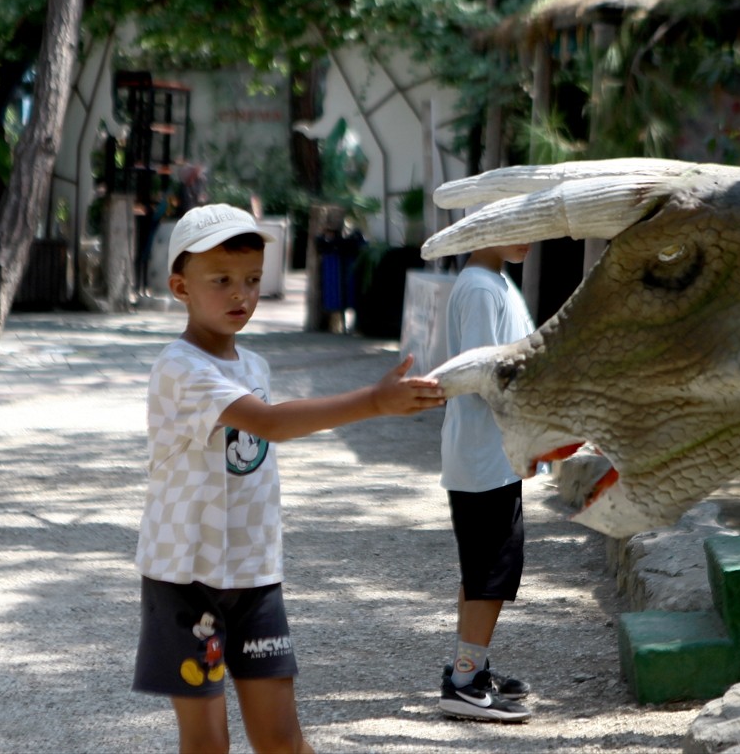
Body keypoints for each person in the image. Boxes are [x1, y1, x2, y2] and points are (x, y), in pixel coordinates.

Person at [132, 203, 444, 753]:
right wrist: (374, 400)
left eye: (252, 280)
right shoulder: (180, 368)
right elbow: (269, 424)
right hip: (185, 578)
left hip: (254, 576)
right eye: (221, 280)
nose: (241, 295)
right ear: (180, 286)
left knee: (282, 738)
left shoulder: (253, 366)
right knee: (207, 743)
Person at [437, 242, 536, 723]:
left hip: (491, 455)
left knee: (483, 570)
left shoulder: (495, 281)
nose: (528, 235)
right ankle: (463, 682)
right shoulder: (479, 287)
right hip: (484, 457)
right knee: (491, 575)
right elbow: (483, 377)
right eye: (515, 224)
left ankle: (469, 667)